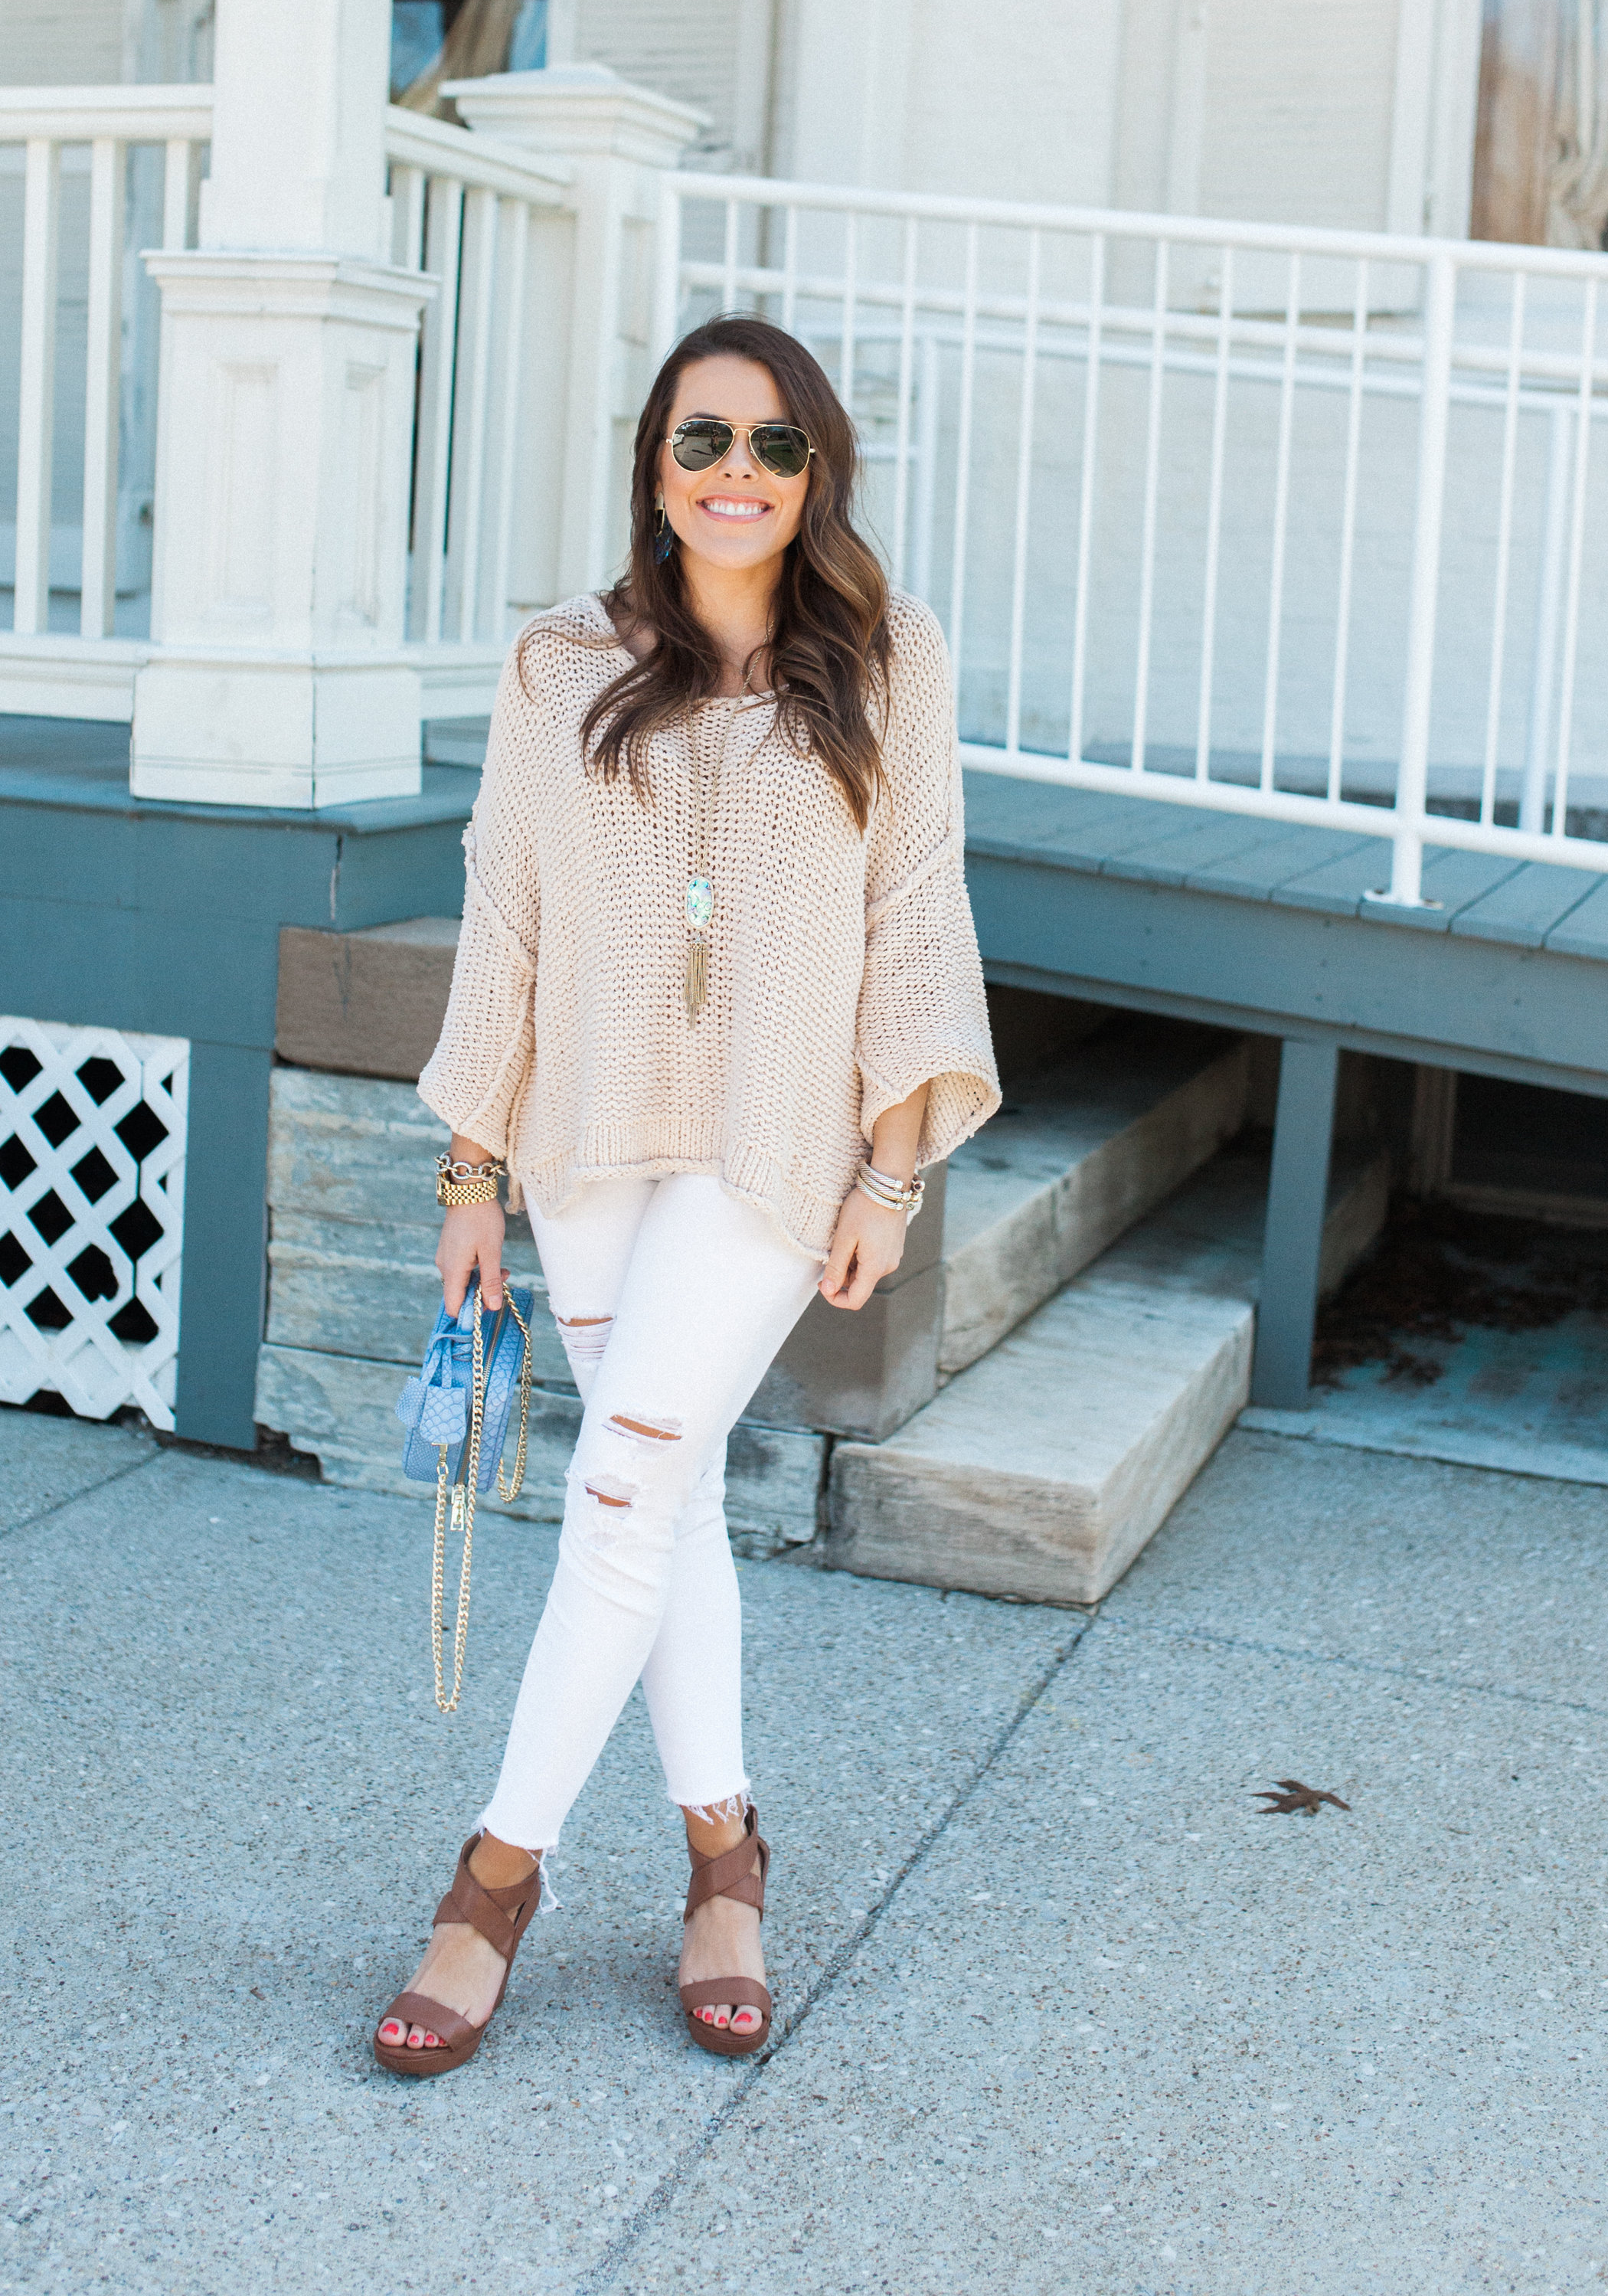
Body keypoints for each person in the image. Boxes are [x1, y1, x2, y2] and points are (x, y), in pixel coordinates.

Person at [373, 313, 998, 2076]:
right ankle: (725, 1851)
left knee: (624, 1476)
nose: (739, 470)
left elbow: (919, 906)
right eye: (703, 437)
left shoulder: (889, 658)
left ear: (819, 474)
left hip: (771, 1148)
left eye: (775, 443)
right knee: (671, 1509)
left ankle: (492, 1879)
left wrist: (896, 1160)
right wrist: (472, 1162)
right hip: (581, 1138)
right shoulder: (554, 663)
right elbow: (502, 907)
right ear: (654, 463)